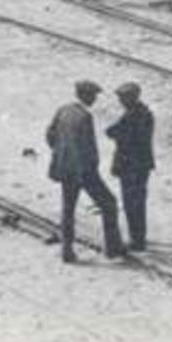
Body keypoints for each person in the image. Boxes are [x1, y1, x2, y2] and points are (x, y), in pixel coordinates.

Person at [45, 80, 123, 262]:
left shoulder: (63, 110)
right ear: (85, 95)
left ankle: (67, 250)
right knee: (109, 204)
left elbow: (50, 134)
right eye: (93, 96)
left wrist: (61, 154)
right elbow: (89, 149)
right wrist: (92, 169)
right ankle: (113, 249)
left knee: (68, 209)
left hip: (65, 168)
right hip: (83, 171)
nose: (94, 99)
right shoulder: (84, 117)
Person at [106, 82, 155, 252]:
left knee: (132, 204)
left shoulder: (132, 116)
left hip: (131, 166)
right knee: (138, 202)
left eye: (122, 97)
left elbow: (113, 132)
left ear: (131, 97)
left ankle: (137, 241)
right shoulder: (142, 113)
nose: (120, 100)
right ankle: (139, 236)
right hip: (140, 165)